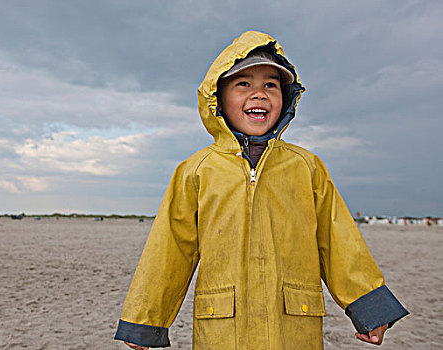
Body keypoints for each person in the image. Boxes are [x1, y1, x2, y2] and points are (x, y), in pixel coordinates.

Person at [114, 31, 408, 349]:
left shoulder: (307, 167)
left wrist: (370, 308)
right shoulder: (196, 171)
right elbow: (170, 250)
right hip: (223, 328)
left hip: (293, 326)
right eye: (243, 84)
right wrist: (146, 321)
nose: (259, 94)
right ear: (217, 99)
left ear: (286, 97)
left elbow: (337, 241)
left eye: (271, 84)